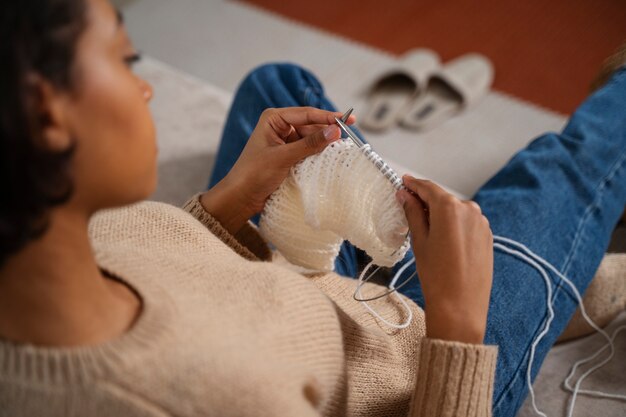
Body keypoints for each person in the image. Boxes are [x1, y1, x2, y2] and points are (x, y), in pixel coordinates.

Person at [0, 0, 624, 416]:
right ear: (46, 111)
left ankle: (556, 278)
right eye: (123, 59)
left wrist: (228, 205)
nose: (145, 87)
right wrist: (459, 323)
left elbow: (168, 275)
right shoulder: (199, 397)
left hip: (303, 283)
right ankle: (575, 281)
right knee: (565, 169)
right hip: (425, 358)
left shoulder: (55, 247)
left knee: (273, 85)